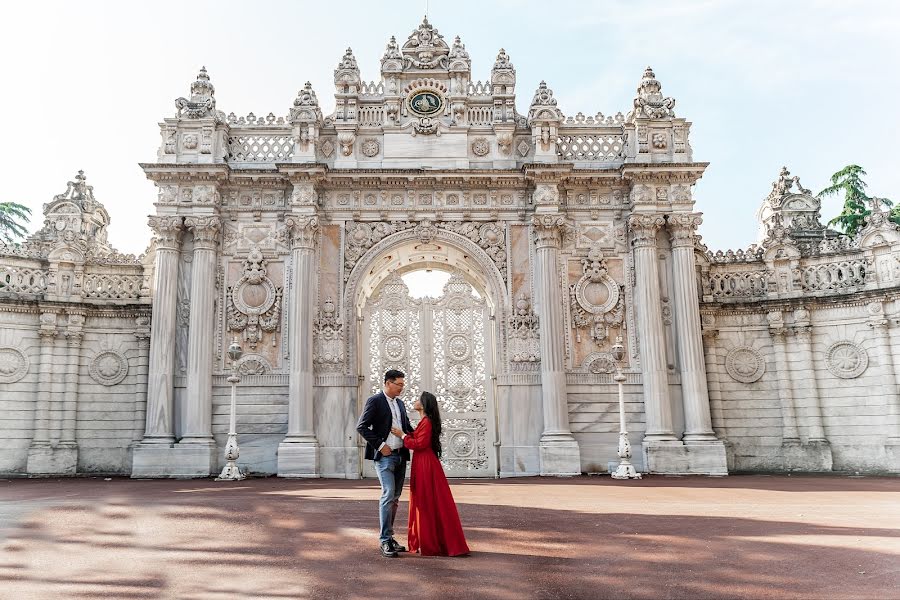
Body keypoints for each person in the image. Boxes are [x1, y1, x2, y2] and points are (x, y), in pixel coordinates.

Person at [391, 391, 470, 557]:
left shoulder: (426, 422)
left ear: (424, 404)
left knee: (426, 500)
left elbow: (420, 443)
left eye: (418, 400)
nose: (415, 401)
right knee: (428, 500)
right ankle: (431, 540)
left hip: (425, 463)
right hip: (423, 462)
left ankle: (432, 542)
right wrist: (405, 434)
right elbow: (417, 437)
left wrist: (403, 435)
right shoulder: (424, 421)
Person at [356, 369, 414, 558]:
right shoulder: (375, 401)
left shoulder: (400, 404)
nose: (401, 388)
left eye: (402, 385)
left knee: (395, 498)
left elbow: (406, 427)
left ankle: (389, 536)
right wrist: (381, 446)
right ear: (388, 383)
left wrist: (423, 435)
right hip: (385, 457)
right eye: (399, 384)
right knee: (388, 494)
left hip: (400, 455)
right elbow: (361, 426)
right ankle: (384, 540)